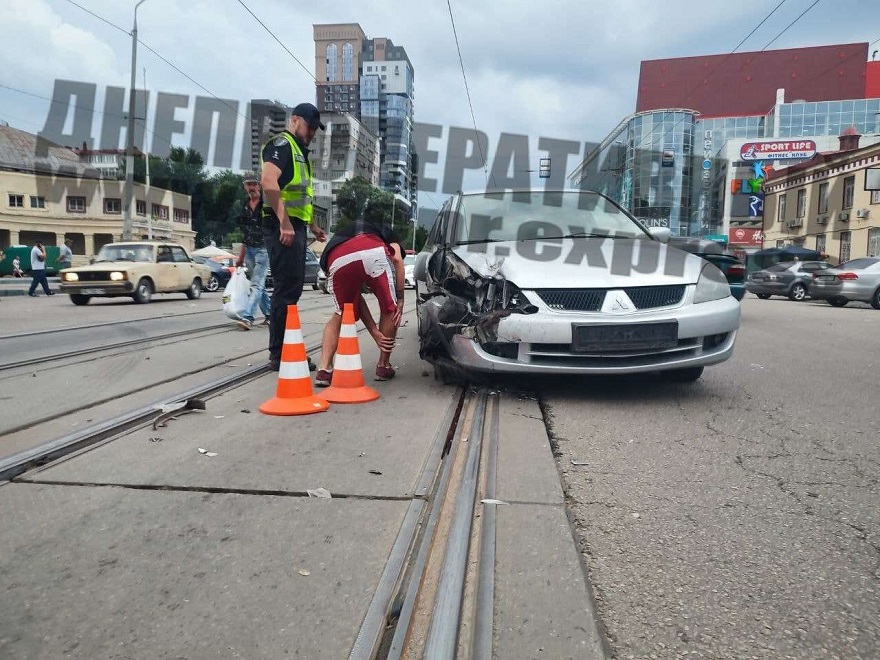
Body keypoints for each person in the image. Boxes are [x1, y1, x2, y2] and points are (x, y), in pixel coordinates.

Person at [260, 102, 327, 371]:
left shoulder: (300, 153)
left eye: (314, 129)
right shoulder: (282, 145)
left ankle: (285, 350)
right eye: (309, 127)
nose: (311, 132)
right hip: (281, 228)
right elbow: (268, 181)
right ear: (295, 120)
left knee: (293, 288)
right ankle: (280, 354)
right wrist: (285, 223)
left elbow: (297, 195)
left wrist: (311, 225)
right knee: (286, 290)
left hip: (294, 227)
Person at [315, 200, 406, 386]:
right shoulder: (384, 230)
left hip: (335, 258)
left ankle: (324, 369)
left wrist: (374, 331)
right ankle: (383, 365)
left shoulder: (345, 230)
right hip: (372, 252)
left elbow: (355, 300)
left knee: (342, 311)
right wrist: (401, 297)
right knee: (390, 308)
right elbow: (396, 258)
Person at [234, 172, 271, 330]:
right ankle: (270, 315)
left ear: (260, 185)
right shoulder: (244, 205)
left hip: (264, 248)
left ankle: (248, 317)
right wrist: (240, 256)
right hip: (249, 249)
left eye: (254, 184)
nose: (252, 187)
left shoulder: (266, 204)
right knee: (259, 285)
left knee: (256, 284)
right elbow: (244, 233)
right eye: (249, 184)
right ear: (245, 187)